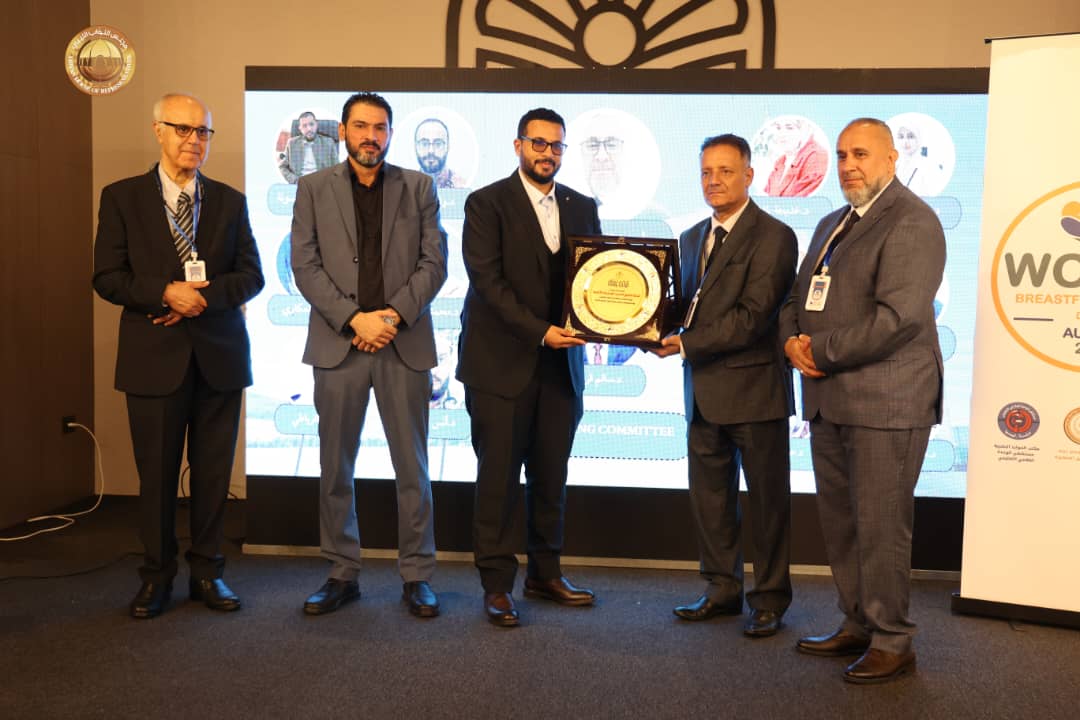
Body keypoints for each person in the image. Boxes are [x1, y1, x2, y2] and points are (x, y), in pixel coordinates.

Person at [779, 118, 945, 684]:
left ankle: (893, 641)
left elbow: (899, 319)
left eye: (862, 154)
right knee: (843, 524)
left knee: (881, 527)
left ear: (892, 159)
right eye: (843, 155)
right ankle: (857, 622)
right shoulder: (832, 222)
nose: (849, 165)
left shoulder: (913, 221)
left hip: (887, 403)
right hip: (829, 400)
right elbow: (796, 297)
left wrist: (818, 350)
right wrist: (789, 341)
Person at [93, 93, 265, 619]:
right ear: (158, 131)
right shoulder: (121, 197)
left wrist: (200, 299)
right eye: (183, 129)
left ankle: (209, 573)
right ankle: (157, 576)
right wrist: (165, 293)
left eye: (203, 132)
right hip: (153, 359)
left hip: (220, 359)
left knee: (213, 476)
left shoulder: (230, 201)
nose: (194, 140)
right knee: (158, 478)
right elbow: (107, 277)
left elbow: (252, 276)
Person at [291, 92, 448, 617]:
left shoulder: (419, 187)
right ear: (342, 132)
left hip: (403, 343)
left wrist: (391, 317)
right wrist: (354, 319)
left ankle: (417, 575)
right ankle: (342, 572)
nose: (370, 136)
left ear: (390, 134)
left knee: (413, 469)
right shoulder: (313, 188)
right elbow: (304, 266)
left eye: (380, 128)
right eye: (360, 126)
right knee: (335, 467)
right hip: (339, 345)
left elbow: (434, 263)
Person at [457, 108, 602, 627]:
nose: (548, 153)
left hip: (562, 368)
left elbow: (595, 279)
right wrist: (541, 331)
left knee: (551, 476)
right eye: (538, 143)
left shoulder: (582, 206)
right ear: (518, 145)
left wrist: (618, 321)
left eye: (556, 145)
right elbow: (488, 284)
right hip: (500, 366)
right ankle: (496, 585)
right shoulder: (486, 203)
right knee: (497, 479)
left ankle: (545, 573)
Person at [653, 134, 797, 637]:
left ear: (749, 176)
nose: (714, 181)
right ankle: (721, 589)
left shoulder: (775, 236)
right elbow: (682, 307)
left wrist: (685, 345)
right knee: (711, 501)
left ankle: (770, 599)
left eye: (725, 171)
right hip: (702, 393)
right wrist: (646, 327)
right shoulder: (691, 237)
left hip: (756, 394)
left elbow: (754, 318)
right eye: (706, 172)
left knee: (768, 505)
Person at [763, 116, 827, 197]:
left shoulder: (817, 156)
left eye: (789, 128)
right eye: (778, 128)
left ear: (804, 130)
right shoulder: (780, 162)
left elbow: (802, 201)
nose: (781, 134)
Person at [278, 111, 339, 184]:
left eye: (311, 124)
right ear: (300, 128)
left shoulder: (329, 143)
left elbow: (337, 169)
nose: (309, 129)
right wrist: (294, 180)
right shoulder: (291, 144)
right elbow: (282, 167)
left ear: (316, 125)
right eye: (304, 126)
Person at [414, 117, 466, 189]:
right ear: (415, 147)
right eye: (424, 144)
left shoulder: (462, 186)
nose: (431, 151)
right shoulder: (409, 185)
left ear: (448, 147)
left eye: (438, 144)